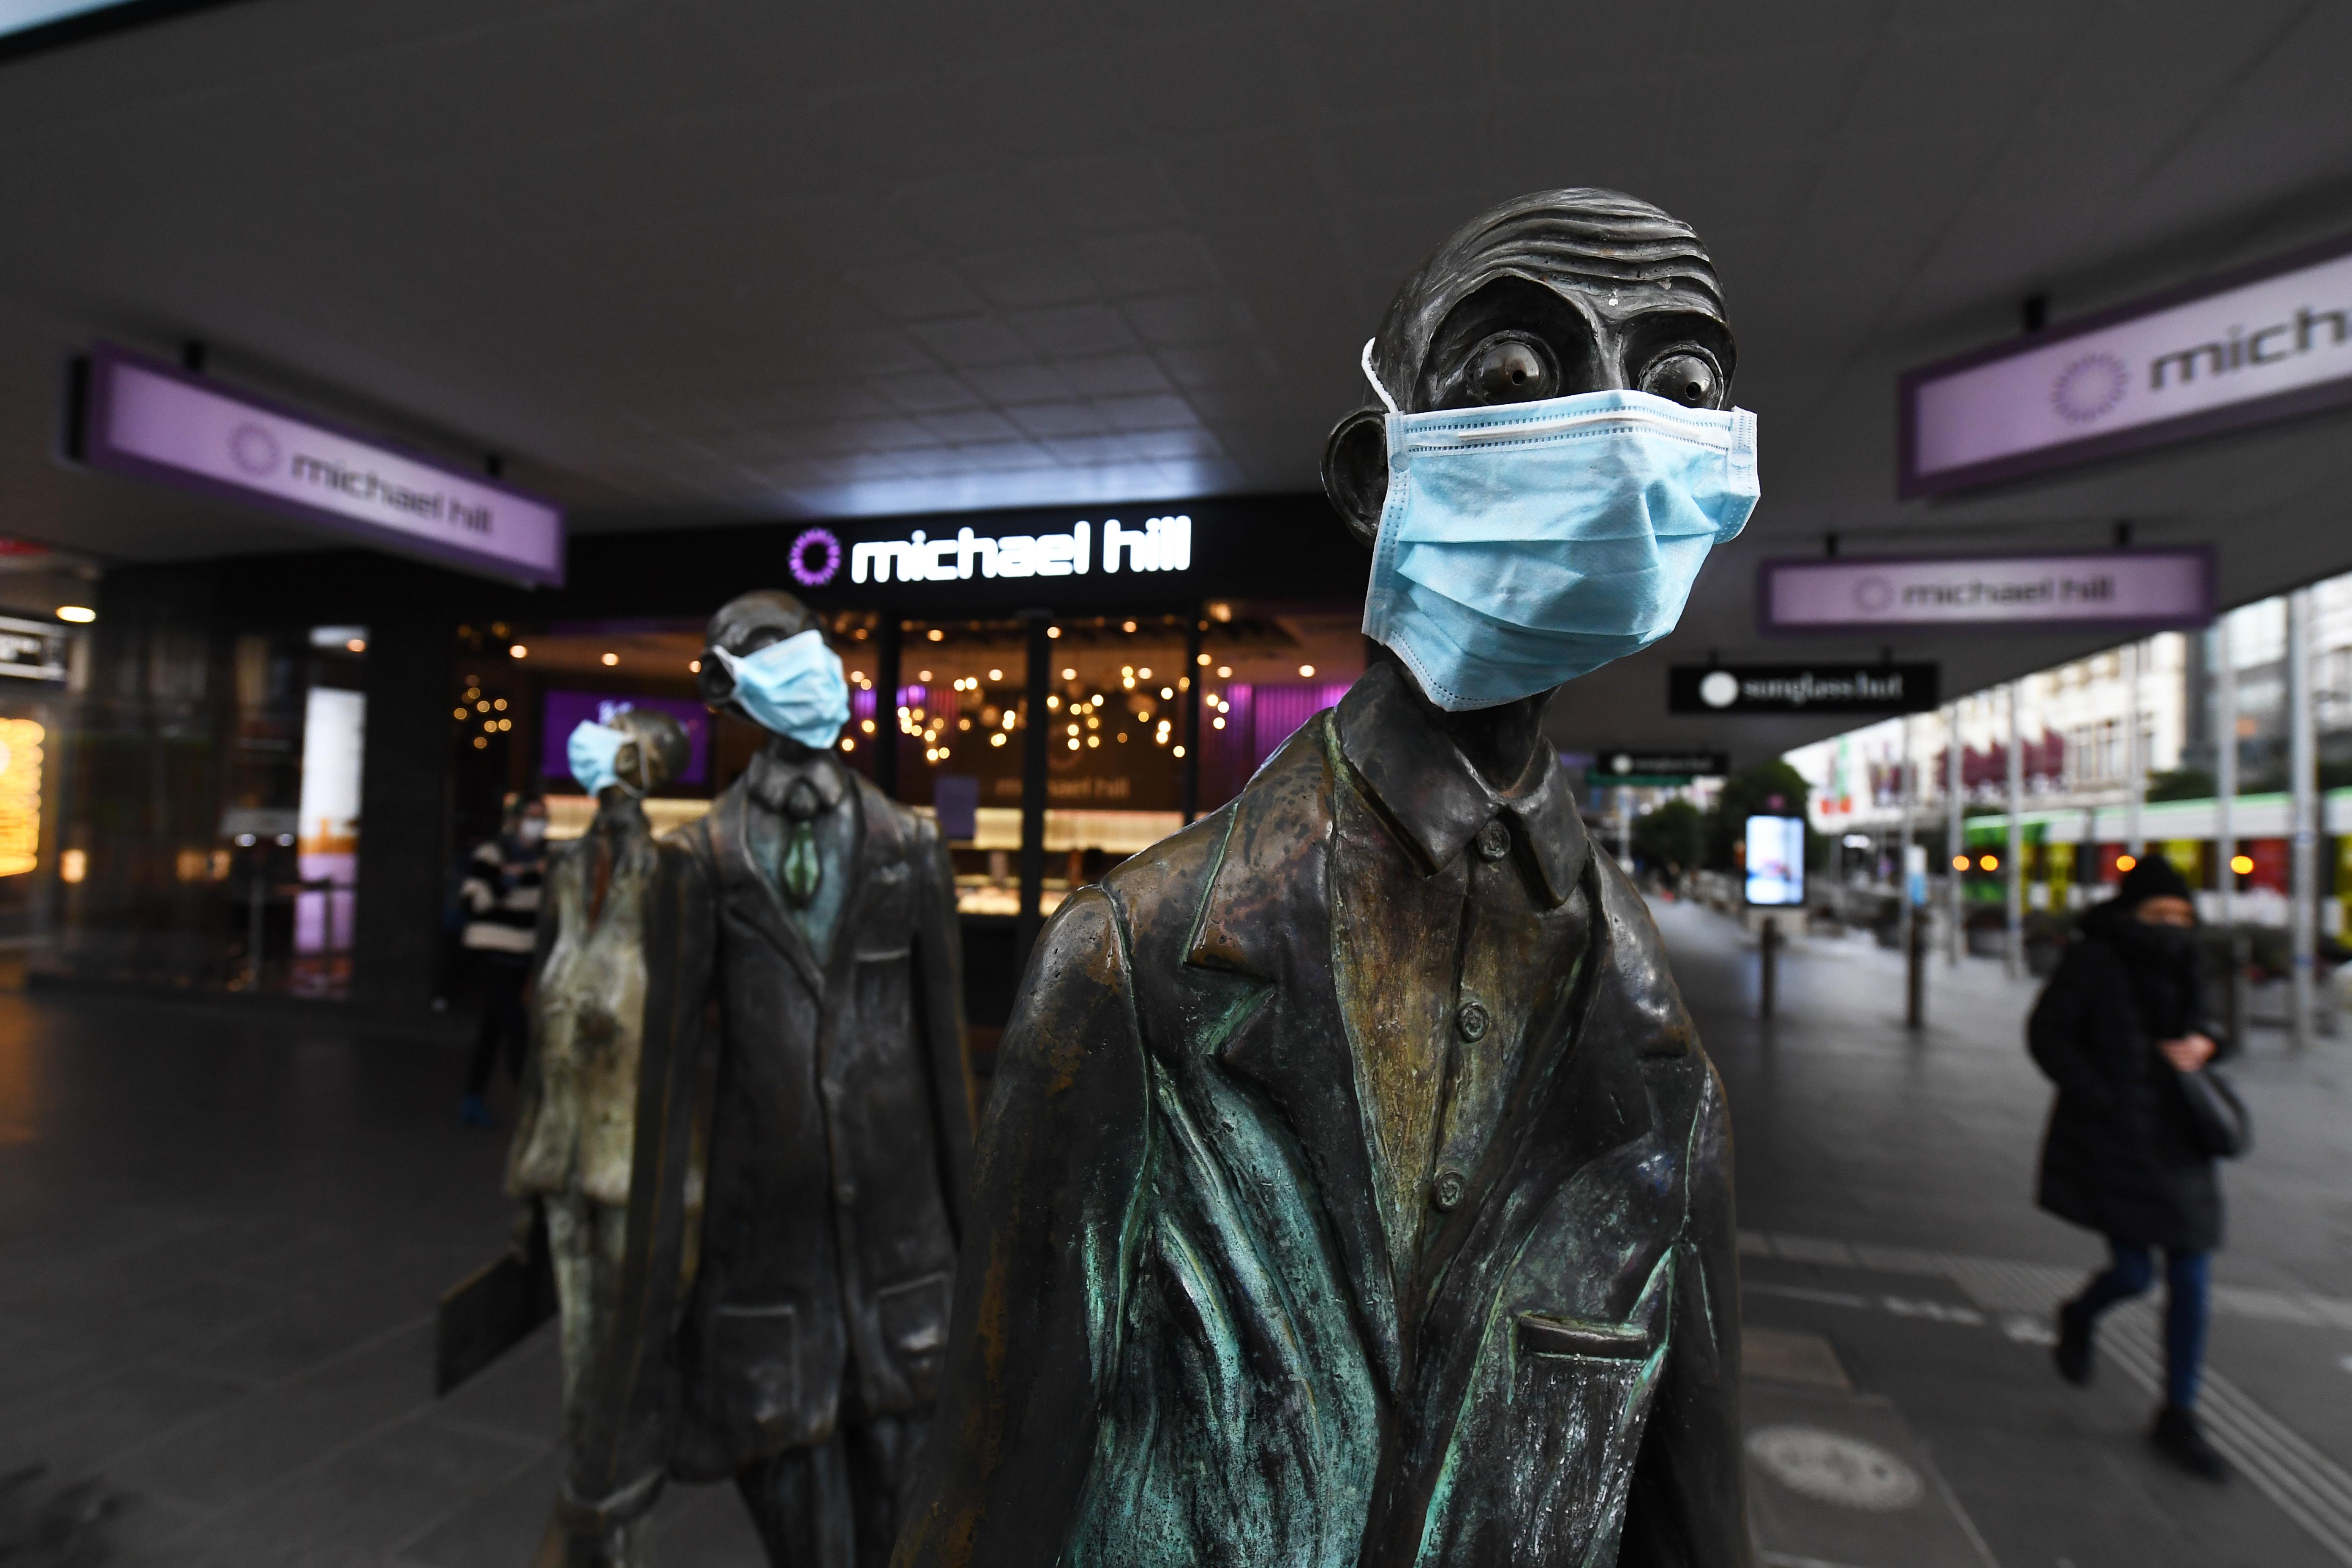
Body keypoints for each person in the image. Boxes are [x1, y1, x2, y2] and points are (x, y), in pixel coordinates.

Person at [895, 189, 1756, 1568]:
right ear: (1374, 475)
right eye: (1520, 374)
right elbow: (987, 1488)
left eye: (1679, 384)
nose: (1616, 438)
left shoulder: (1659, 1057)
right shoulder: (1137, 961)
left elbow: (1688, 1518)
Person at [548, 591, 974, 1568]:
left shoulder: (909, 850)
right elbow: (661, 1116)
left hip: (911, 1288)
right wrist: (633, 1385)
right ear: (729, 692)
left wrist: (988, 1280)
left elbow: (953, 1092)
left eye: (810, 651)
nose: (810, 674)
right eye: (778, 659)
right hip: (763, 1298)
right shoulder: (695, 864)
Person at [506, 708, 691, 1566]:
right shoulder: (568, 866)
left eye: (613, 735)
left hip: (636, 1162)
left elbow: (697, 1029)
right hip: (564, 1154)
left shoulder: (675, 876)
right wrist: (525, 1155)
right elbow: (540, 1019)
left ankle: (610, 1527)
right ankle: (592, 1516)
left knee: (629, 1369)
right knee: (581, 1367)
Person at [2030, 855, 2230, 1480]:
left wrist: (2208, 1044)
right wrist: (2101, 1095)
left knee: (2193, 1277)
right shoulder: (2096, 959)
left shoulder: (2195, 961)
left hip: (2182, 1139)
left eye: (2181, 915)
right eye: (2159, 914)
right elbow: (2047, 1033)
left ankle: (2179, 1411)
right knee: (2136, 1272)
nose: (2172, 926)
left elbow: (2218, 1026)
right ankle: (2082, 1314)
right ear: (2132, 912)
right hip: (2117, 1140)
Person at [459, 794, 547, 1126]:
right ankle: (532, 1109)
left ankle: (472, 1098)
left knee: (493, 1028)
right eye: (531, 816)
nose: (537, 824)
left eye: (542, 817)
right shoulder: (492, 853)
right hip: (491, 951)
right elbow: (474, 902)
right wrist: (512, 876)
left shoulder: (546, 858)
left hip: (522, 954)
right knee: (517, 1028)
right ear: (515, 820)